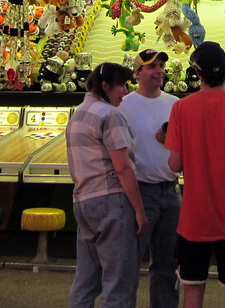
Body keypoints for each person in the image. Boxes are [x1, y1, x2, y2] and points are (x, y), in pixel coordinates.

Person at [165, 41, 225, 308]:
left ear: (198, 72)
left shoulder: (181, 108)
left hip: (195, 219)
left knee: (193, 291)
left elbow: (174, 164)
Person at [66, 62, 146, 308]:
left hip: (83, 201)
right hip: (111, 201)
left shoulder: (78, 113)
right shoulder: (110, 115)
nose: (125, 90)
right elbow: (122, 167)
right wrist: (139, 210)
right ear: (105, 86)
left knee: (86, 279)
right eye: (121, 85)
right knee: (118, 281)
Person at [117, 49, 180, 308]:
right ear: (137, 72)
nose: (159, 71)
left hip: (171, 191)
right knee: (128, 265)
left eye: (161, 65)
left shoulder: (175, 103)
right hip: (140, 193)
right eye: (152, 66)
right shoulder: (123, 105)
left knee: (168, 265)